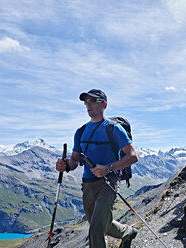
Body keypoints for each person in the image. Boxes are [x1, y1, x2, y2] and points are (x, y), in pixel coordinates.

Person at [56, 89, 138, 248]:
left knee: (95, 229)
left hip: (109, 181)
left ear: (104, 105)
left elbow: (133, 156)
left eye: (93, 101)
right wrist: (65, 165)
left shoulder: (113, 128)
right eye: (86, 101)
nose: (88, 105)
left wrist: (108, 168)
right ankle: (128, 232)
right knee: (102, 224)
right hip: (87, 184)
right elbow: (74, 160)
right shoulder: (80, 132)